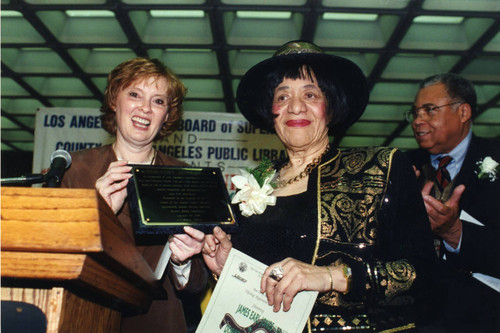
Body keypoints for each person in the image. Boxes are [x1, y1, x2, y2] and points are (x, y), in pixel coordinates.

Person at [175, 41, 439, 332]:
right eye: (282, 96)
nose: (295, 107)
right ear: (271, 111)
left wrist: (332, 276)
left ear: (332, 105)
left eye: (310, 94)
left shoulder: (381, 166)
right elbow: (262, 293)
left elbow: (426, 275)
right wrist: (228, 269)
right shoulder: (251, 185)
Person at [60, 57, 207, 333]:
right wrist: (96, 214)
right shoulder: (73, 170)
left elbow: (197, 285)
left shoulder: (185, 178)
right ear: (115, 100)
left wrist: (183, 262)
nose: (145, 109)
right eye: (135, 94)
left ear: (167, 115)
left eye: (158, 101)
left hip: (157, 322)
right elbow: (51, 259)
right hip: (82, 318)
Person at [406, 73, 500, 332]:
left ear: (463, 112)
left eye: (429, 110)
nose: (417, 121)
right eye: (414, 113)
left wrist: (455, 232)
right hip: (417, 318)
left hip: (485, 317)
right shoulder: (403, 167)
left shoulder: (496, 157)